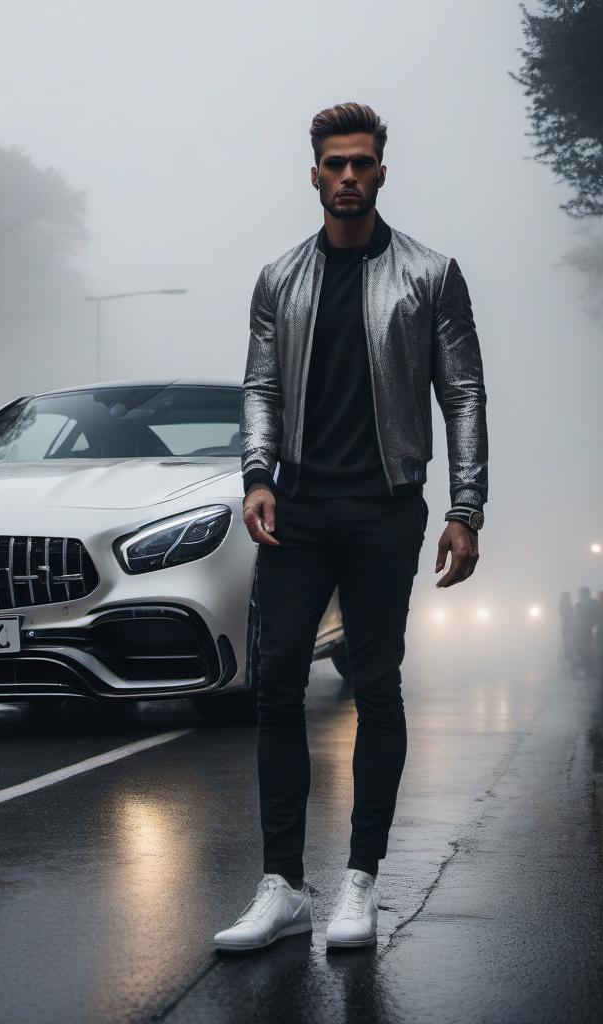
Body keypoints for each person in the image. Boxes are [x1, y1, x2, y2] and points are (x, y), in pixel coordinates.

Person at [214, 102, 488, 954]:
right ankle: (284, 886)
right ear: (313, 174)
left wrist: (466, 507)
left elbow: (464, 393)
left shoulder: (430, 274)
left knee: (376, 682)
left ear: (381, 171)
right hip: (296, 505)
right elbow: (260, 387)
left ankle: (361, 881)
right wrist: (258, 477)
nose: (347, 178)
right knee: (277, 684)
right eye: (333, 164)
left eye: (361, 163)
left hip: (384, 506)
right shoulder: (279, 279)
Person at [571, 587, 601, 678]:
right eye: (582, 595)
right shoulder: (578, 606)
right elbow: (575, 620)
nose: (583, 596)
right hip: (582, 633)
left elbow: (598, 616)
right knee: (584, 653)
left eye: (585, 594)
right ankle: (587, 670)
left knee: (592, 652)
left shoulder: (594, 604)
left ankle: (592, 670)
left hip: (591, 632)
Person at [558, 591, 574, 666]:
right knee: (568, 644)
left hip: (572, 627)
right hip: (567, 627)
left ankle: (571, 660)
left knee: (571, 644)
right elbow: (565, 615)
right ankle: (569, 660)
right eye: (565, 597)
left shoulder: (570, 605)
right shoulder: (562, 606)